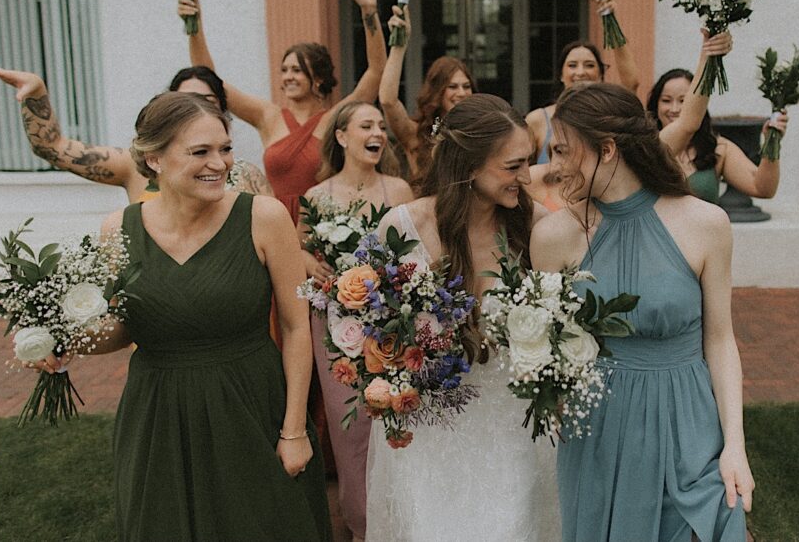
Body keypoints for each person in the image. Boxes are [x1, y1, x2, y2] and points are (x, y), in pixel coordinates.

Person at [30, 92, 331, 540]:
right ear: (154, 159)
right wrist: (70, 339)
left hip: (250, 406)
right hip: (159, 415)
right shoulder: (119, 228)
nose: (221, 163)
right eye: (200, 152)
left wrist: (293, 430)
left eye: (225, 148)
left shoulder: (263, 217)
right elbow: (128, 323)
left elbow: (295, 327)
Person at [531, 83, 754, 541]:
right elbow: (547, 345)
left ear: (607, 149)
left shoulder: (706, 224)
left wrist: (735, 444)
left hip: (689, 425)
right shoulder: (554, 237)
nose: (552, 168)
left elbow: (719, 338)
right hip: (597, 433)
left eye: (563, 152)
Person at [366, 94, 560, 541]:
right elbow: (371, 329)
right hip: (431, 432)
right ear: (470, 166)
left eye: (528, 162)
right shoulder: (400, 228)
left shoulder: (536, 230)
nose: (527, 177)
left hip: (513, 428)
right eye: (513, 166)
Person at [178, 0, 387, 218]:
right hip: (273, 219)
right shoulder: (268, 116)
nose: (288, 76)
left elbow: (376, 72)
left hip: (324, 223)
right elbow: (209, 79)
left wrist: (369, 12)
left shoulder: (335, 118)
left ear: (318, 78)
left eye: (297, 70)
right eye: (285, 70)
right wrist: (194, 27)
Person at [297, 101, 413, 541]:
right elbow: (300, 248)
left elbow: (413, 253)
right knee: (352, 428)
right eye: (367, 125)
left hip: (390, 322)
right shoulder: (317, 196)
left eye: (382, 127)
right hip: (335, 324)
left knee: (394, 415)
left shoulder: (398, 190)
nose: (378, 133)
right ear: (342, 136)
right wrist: (311, 263)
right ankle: (361, 525)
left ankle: (401, 518)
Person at [0, 58, 270, 201]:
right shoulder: (134, 164)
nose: (196, 112)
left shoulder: (248, 176)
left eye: (205, 102)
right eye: (182, 102)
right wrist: (36, 93)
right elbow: (52, 147)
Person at [527, 30, 732, 211]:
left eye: (563, 150)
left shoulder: (628, 163)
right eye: (554, 151)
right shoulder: (537, 178)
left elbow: (688, 123)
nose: (556, 162)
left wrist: (709, 57)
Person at [525, 0, 639, 165]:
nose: (580, 72)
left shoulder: (611, 114)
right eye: (572, 65)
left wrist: (611, 20)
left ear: (601, 74)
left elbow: (632, 82)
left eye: (589, 65)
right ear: (561, 75)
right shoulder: (537, 120)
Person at [648, 68, 787, 203]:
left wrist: (772, 141)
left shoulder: (718, 147)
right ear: (656, 104)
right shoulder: (643, 147)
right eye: (666, 100)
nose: (674, 109)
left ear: (697, 105)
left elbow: (762, 189)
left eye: (683, 101)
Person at [378, 6, 475, 185]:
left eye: (466, 86)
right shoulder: (416, 134)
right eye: (452, 86)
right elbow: (387, 100)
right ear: (437, 91)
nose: (461, 93)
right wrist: (399, 47)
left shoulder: (480, 132)